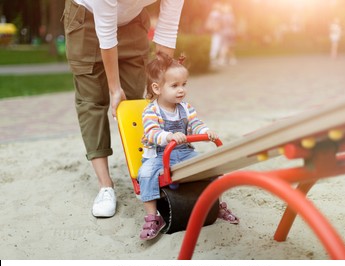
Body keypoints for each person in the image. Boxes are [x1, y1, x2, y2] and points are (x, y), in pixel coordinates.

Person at [62, 0, 185, 218]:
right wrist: (114, 88)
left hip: (132, 22)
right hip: (87, 19)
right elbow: (106, 35)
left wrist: (162, 83)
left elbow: (167, 30)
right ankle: (105, 186)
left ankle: (147, 174)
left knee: (137, 103)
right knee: (92, 102)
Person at [137, 52, 239, 240]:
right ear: (157, 88)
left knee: (209, 167)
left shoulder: (185, 107)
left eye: (184, 84)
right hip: (159, 155)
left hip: (183, 153)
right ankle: (153, 217)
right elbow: (151, 132)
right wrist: (169, 136)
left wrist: (206, 132)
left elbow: (195, 123)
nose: (181, 90)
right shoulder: (151, 110)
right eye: (174, 85)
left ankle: (217, 205)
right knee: (144, 174)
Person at [205, 2, 223, 66]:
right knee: (215, 45)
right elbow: (218, 22)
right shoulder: (217, 14)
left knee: (215, 45)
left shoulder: (213, 13)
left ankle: (213, 59)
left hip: (214, 31)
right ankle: (212, 59)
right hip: (217, 31)